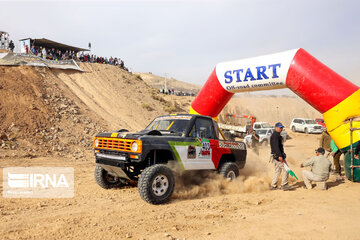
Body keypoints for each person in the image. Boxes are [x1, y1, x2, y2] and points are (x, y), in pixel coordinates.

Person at [270, 122, 291, 191]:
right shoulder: (275, 136)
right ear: (276, 128)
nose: (281, 129)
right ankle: (284, 185)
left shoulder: (276, 135)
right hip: (278, 156)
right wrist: (279, 155)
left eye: (282, 127)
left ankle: (273, 185)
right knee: (286, 169)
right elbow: (276, 147)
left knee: (277, 170)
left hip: (276, 155)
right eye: (280, 127)